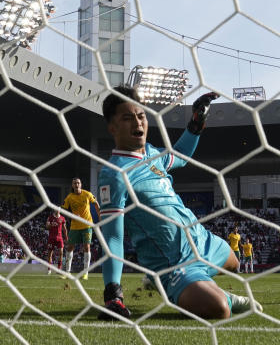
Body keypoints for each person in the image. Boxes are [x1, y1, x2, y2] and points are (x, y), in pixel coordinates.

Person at [97, 87, 260, 321]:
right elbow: (112, 236)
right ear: (112, 128)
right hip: (173, 262)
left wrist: (196, 123)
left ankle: (183, 283)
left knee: (234, 263)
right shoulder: (115, 174)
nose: (137, 122)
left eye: (141, 115)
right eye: (127, 118)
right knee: (220, 309)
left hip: (201, 241)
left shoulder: (152, 154)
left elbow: (181, 155)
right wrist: (113, 294)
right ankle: (211, 293)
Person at [61, 177, 99, 280]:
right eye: (74, 183)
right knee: (69, 247)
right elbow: (63, 210)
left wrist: (100, 217)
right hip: (74, 226)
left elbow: (96, 204)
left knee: (86, 247)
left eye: (78, 183)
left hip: (87, 225)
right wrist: (72, 215)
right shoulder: (69, 197)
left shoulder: (87, 194)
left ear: (81, 184)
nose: (76, 184)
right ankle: (67, 272)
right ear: (72, 185)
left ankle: (85, 273)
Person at [45, 208, 66, 275]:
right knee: (50, 254)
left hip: (60, 238)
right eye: (56, 209)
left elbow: (64, 228)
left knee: (61, 253)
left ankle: (59, 269)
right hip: (51, 238)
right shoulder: (50, 217)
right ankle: (49, 269)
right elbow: (47, 227)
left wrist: (66, 237)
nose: (57, 210)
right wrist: (51, 225)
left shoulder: (62, 218)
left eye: (59, 209)